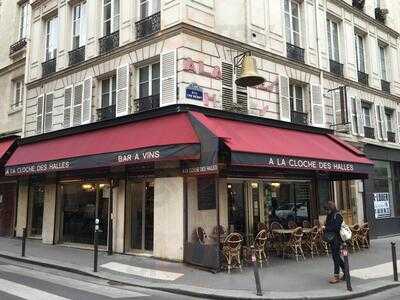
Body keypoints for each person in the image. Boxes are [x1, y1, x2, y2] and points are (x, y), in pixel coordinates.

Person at [325, 201, 345, 284]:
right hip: (332, 239)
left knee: (336, 257)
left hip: (337, 239)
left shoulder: (337, 215)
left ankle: (336, 276)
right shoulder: (330, 215)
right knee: (336, 257)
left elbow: (336, 228)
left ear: (331, 208)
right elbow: (329, 224)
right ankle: (346, 272)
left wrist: (327, 228)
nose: (327, 211)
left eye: (327, 210)